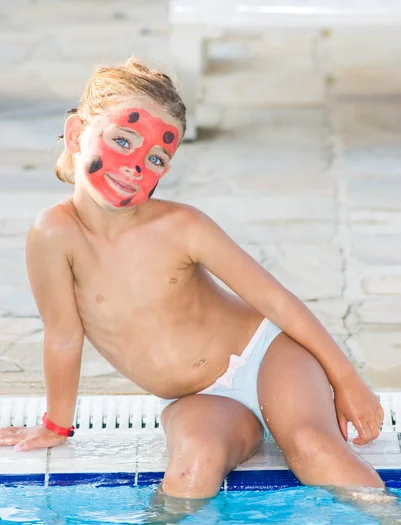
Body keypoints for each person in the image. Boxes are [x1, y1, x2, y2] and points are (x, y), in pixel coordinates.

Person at [0, 58, 386, 501]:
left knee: (314, 449)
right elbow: (64, 337)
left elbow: (277, 302)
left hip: (266, 359)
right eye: (122, 140)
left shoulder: (183, 226)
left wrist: (348, 382)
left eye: (156, 157)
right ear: (75, 134)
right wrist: (56, 426)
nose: (134, 166)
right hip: (195, 398)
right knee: (192, 469)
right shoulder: (53, 234)